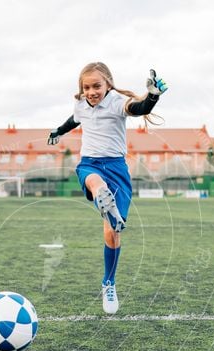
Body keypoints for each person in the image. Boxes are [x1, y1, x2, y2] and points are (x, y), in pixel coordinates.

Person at [48, 62, 167, 314]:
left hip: (116, 167)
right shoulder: (81, 104)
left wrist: (153, 96)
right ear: (82, 88)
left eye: (96, 86)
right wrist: (58, 130)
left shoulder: (115, 101)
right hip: (90, 163)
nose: (91, 91)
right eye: (86, 87)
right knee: (93, 180)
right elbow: (75, 120)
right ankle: (102, 193)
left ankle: (109, 282)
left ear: (108, 84)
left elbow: (139, 107)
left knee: (113, 233)